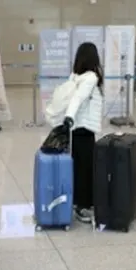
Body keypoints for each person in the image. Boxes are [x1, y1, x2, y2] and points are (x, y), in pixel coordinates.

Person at [60, 42, 104, 222]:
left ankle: (78, 202)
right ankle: (84, 206)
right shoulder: (90, 78)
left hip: (76, 129)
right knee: (86, 168)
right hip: (85, 128)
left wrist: (69, 119)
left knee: (78, 167)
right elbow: (78, 99)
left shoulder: (74, 77)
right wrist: (69, 116)